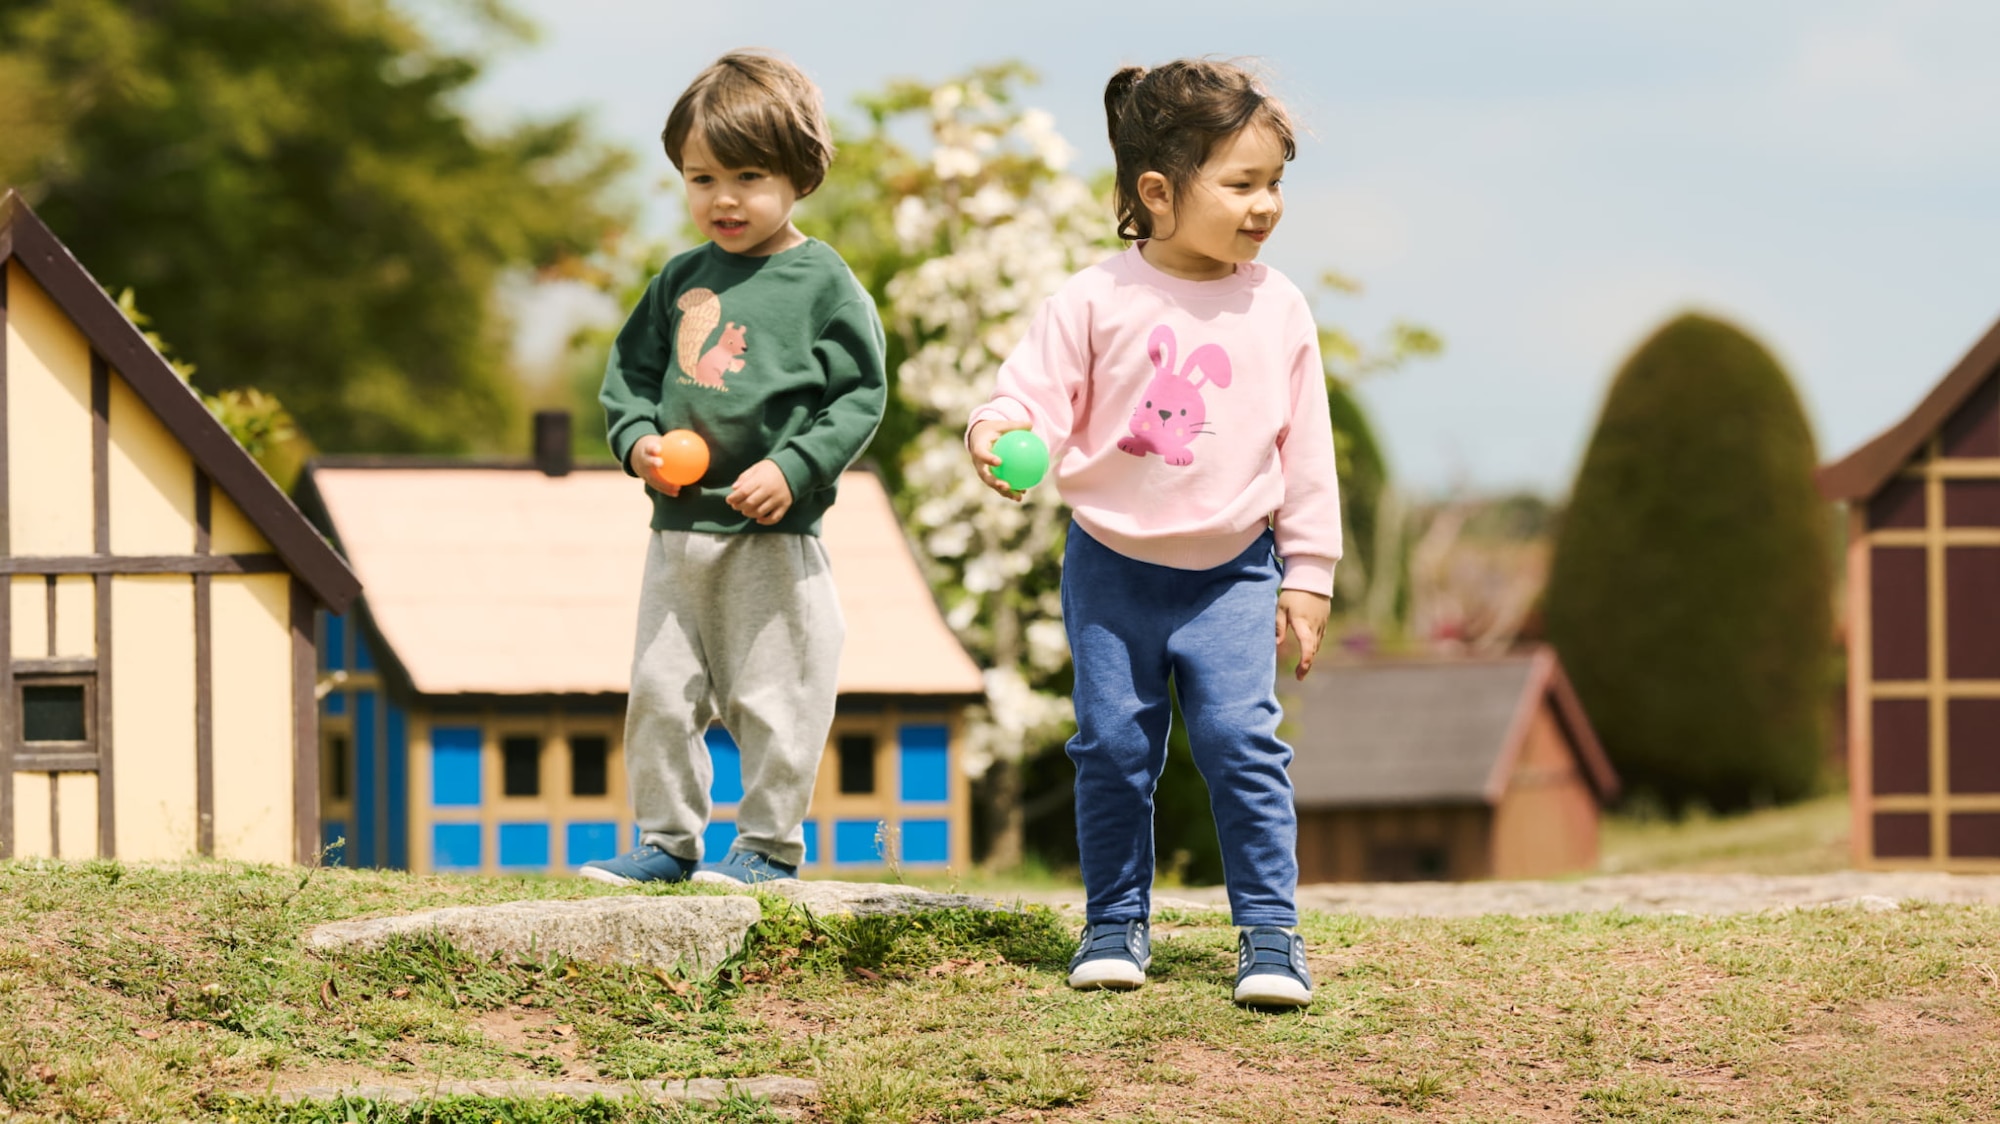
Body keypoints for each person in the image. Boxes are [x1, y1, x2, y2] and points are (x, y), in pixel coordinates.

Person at [966, 59, 1339, 1007]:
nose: (1267, 206)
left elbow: (1306, 452)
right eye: (1243, 184)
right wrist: (999, 431)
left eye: (1275, 184)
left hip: (1233, 573)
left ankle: (1269, 935)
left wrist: (1309, 572)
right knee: (1114, 746)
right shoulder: (1093, 299)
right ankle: (1114, 923)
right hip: (1113, 568)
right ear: (1159, 192)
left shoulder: (1278, 306)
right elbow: (1030, 400)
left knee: (1239, 743)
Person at [585, 50, 887, 887]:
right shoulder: (680, 278)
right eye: (701, 176)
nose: (722, 198)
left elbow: (860, 396)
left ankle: (767, 848)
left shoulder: (823, 283)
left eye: (748, 175)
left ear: (799, 174)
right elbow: (630, 379)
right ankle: (667, 841)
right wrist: (638, 440)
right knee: (658, 692)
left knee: (776, 699)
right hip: (678, 536)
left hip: (772, 538)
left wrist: (794, 468)